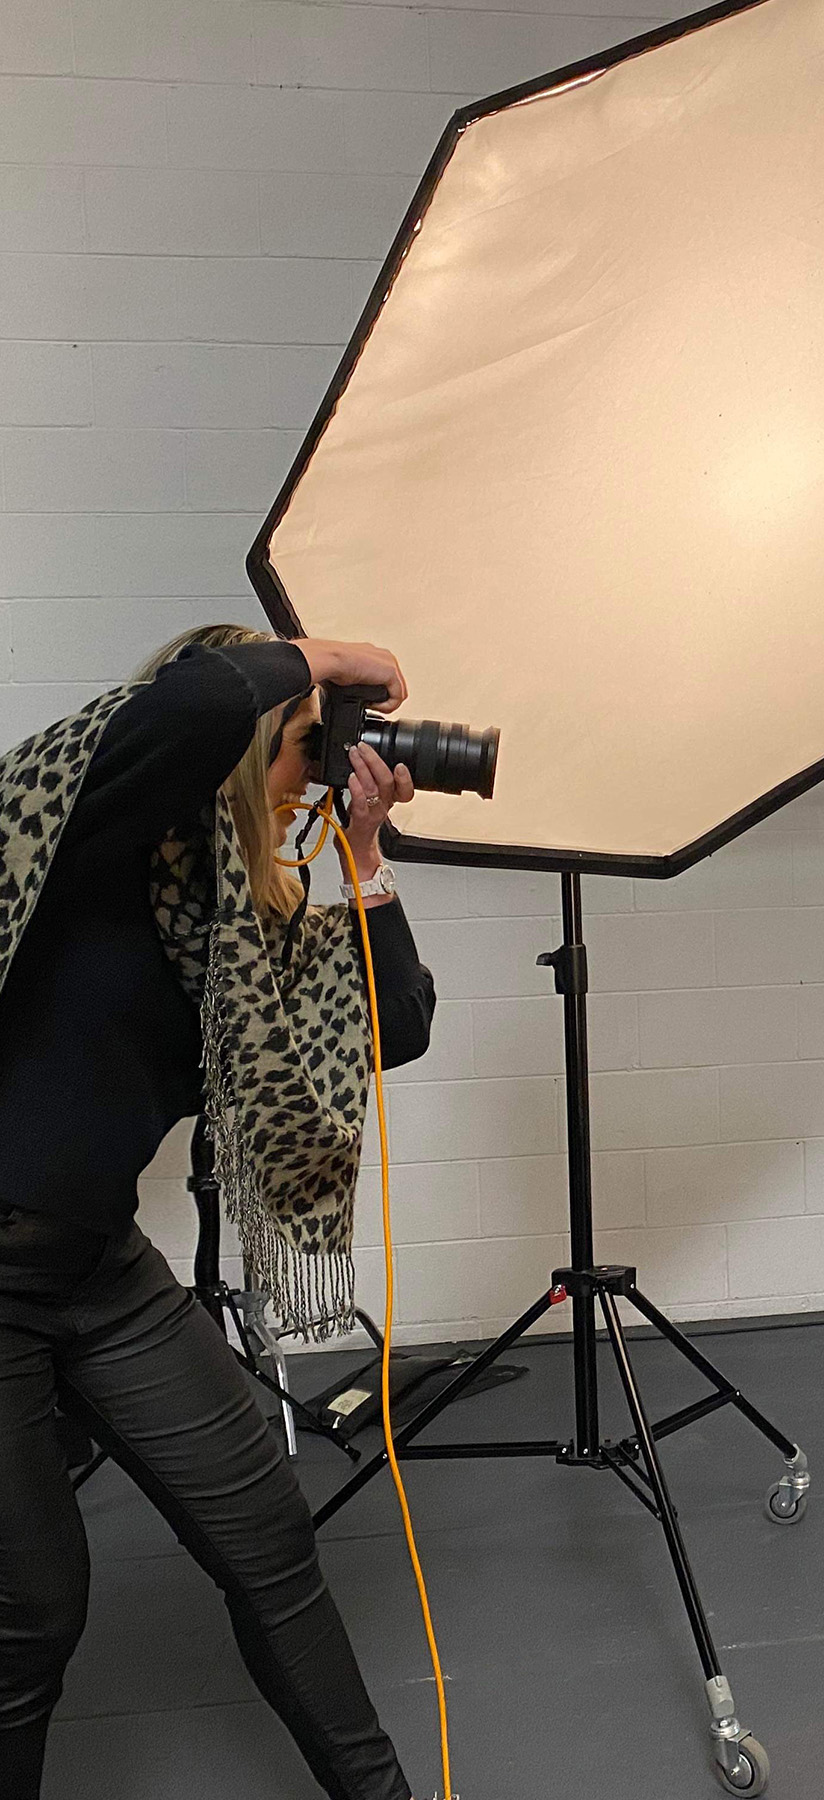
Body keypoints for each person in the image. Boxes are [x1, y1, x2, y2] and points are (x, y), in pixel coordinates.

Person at [0, 624, 436, 1800]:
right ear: (241, 748)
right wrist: (328, 656)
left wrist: (364, 848)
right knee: (31, 1616)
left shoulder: (233, 918)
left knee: (270, 1540)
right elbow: (193, 707)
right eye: (308, 745)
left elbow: (395, 1021)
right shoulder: (91, 834)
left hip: (96, 1269)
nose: (320, 767)